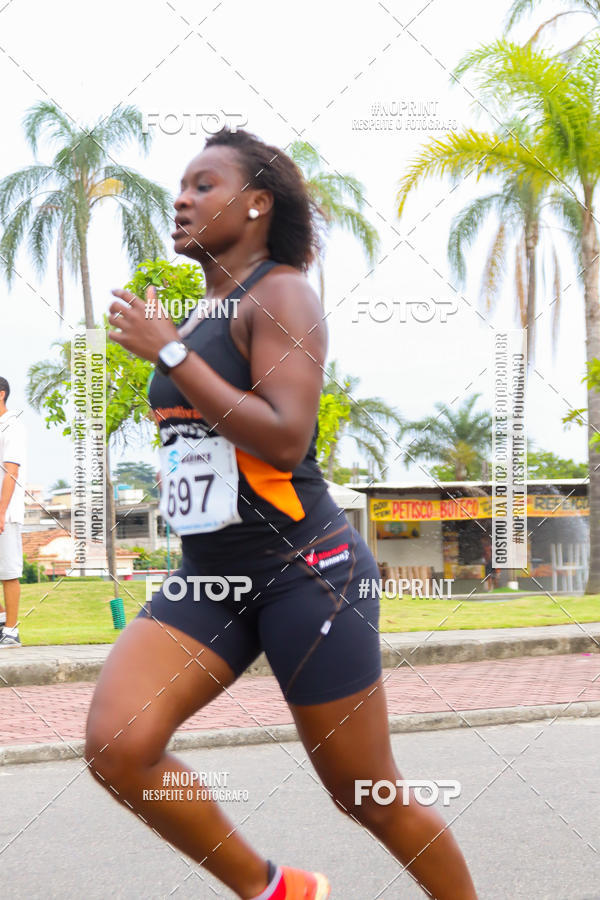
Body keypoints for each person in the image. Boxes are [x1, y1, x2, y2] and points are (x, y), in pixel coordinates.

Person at [85, 128, 478, 899]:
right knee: (118, 746)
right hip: (209, 581)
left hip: (309, 573)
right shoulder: (202, 312)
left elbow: (285, 430)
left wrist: (169, 356)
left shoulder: (282, 292)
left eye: (204, 185)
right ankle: (276, 890)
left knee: (364, 791)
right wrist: (177, 347)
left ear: (257, 203)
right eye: (181, 186)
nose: (182, 198)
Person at [0, 377, 27, 648]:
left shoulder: (12, 427)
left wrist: (1, 511)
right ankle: (1, 620)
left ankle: (11, 631)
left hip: (5, 513)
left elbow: (12, 471)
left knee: (8, 571)